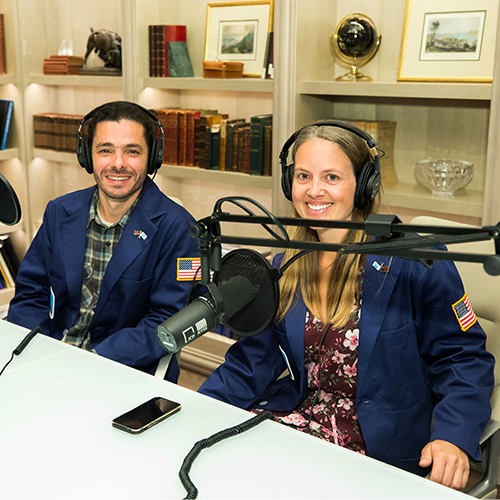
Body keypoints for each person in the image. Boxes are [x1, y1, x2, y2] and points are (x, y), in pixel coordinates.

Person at [199, 121, 495, 490]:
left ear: (364, 184)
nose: (314, 190)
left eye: (332, 177)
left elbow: (464, 359)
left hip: (375, 450)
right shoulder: (282, 266)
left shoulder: (415, 261)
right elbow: (252, 361)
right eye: (303, 175)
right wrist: (197, 410)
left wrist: (453, 436)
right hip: (293, 425)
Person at [7, 101, 200, 381]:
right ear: (87, 156)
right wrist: (35, 351)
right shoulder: (59, 212)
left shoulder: (182, 229)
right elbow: (30, 293)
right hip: (48, 360)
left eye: (132, 151)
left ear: (152, 158)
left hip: (123, 372)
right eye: (105, 150)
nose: (118, 163)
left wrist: (93, 361)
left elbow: (169, 321)